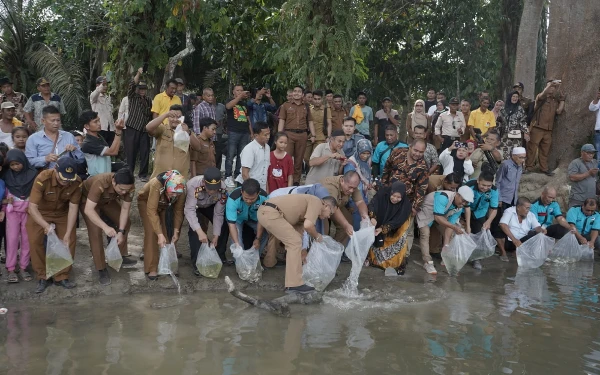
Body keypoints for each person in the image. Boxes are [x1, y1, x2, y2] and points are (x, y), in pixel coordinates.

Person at [257, 194, 338, 294]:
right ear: (326, 205)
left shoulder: (305, 209)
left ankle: (292, 281)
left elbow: (300, 230)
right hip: (271, 212)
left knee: (295, 241)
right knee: (294, 242)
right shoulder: (317, 202)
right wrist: (317, 236)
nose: (329, 216)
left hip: (268, 212)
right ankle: (294, 285)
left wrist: (304, 255)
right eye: (331, 212)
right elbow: (308, 226)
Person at [27, 156, 81, 293]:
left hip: (62, 213)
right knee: (35, 241)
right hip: (40, 213)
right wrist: (45, 226)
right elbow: (32, 207)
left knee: (69, 241)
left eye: (69, 179)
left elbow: (73, 208)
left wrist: (68, 233)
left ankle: (61, 275)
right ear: (55, 170)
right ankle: (42, 276)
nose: (66, 182)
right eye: (63, 178)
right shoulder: (42, 179)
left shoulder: (76, 182)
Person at [81, 169, 137, 286]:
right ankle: (101, 268)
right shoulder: (100, 183)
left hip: (108, 200)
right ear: (113, 182)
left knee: (126, 224)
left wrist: (121, 231)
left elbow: (125, 209)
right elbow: (88, 210)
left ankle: (118, 256)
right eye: (121, 189)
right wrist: (105, 227)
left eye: (126, 190)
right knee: (95, 232)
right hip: (88, 201)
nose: (123, 193)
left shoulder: (129, 187)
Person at [382, 140, 429, 255]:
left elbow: (421, 188)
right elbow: (387, 169)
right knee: (386, 225)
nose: (417, 154)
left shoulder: (423, 166)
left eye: (421, 152)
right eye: (415, 150)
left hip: (408, 201)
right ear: (410, 146)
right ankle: (384, 252)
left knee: (407, 230)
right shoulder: (397, 152)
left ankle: (404, 255)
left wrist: (415, 207)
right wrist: (383, 189)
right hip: (390, 197)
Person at [137, 170, 186, 280]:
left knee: (168, 233)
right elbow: (152, 211)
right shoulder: (156, 184)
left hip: (165, 205)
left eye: (177, 194)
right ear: (166, 187)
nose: (175, 195)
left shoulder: (181, 190)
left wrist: (176, 231)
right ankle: (152, 268)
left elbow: (178, 211)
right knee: (152, 233)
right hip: (147, 204)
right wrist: (159, 234)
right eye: (172, 192)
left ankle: (169, 264)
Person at [416, 186, 474, 274]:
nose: (464, 203)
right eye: (463, 200)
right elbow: (438, 217)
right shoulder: (443, 197)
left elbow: (449, 226)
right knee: (425, 234)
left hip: (440, 214)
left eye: (466, 202)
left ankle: (445, 258)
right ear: (457, 195)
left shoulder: (459, 207)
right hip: (426, 212)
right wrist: (454, 227)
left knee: (451, 235)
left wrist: (446, 246)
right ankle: (427, 262)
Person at [185, 167, 231, 276]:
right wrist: (200, 231)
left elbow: (218, 213)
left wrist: (216, 235)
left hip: (210, 206)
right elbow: (189, 210)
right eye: (209, 188)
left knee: (224, 222)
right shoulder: (193, 185)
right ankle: (197, 262)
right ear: (203, 182)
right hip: (194, 206)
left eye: (215, 189)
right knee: (195, 231)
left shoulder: (223, 189)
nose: (211, 192)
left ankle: (218, 255)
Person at [366, 181, 412, 275]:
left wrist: (383, 229)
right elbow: (373, 205)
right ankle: (377, 261)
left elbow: (398, 220)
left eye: (399, 197)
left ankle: (395, 264)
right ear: (390, 192)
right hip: (379, 222)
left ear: (403, 196)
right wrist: (373, 217)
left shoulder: (405, 205)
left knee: (400, 237)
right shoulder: (382, 195)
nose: (395, 199)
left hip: (396, 227)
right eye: (393, 196)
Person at [3, 150, 34, 283]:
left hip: (28, 211)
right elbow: (4, 196)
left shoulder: (33, 174)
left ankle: (23, 267)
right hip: (12, 213)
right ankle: (10, 268)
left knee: (27, 239)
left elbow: (37, 193)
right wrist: (5, 205)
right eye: (12, 165)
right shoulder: (6, 176)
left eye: (18, 164)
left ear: (24, 161)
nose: (15, 167)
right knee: (12, 239)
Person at [146, 105, 201, 178]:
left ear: (183, 118)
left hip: (179, 179)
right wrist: (165, 115)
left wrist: (188, 132)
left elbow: (198, 147)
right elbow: (148, 128)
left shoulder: (187, 132)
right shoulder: (162, 129)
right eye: (172, 116)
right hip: (160, 178)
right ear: (168, 118)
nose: (175, 119)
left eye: (178, 117)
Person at [525, 79, 566, 176]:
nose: (552, 88)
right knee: (532, 148)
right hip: (537, 127)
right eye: (550, 86)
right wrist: (550, 84)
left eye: (553, 87)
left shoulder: (554, 100)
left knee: (545, 150)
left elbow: (559, 111)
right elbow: (543, 93)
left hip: (548, 129)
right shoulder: (541, 98)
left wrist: (562, 100)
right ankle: (528, 167)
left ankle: (544, 168)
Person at [278, 85, 315, 185]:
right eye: (295, 91)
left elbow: (310, 121)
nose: (296, 93)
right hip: (289, 134)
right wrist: (279, 134)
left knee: (299, 160)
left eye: (299, 91)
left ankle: (295, 182)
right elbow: (282, 120)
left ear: (302, 94)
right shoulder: (285, 105)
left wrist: (313, 135)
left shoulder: (306, 106)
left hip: (302, 135)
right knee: (287, 158)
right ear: (292, 93)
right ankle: (285, 180)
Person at [494, 147, 526, 259]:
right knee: (500, 224)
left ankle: (510, 248)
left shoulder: (520, 166)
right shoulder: (505, 165)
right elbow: (497, 182)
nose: (523, 160)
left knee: (510, 224)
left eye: (524, 157)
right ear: (514, 156)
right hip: (503, 199)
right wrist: (499, 199)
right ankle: (502, 251)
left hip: (513, 199)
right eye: (521, 157)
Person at [320, 171, 370, 244]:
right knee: (324, 230)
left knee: (348, 221)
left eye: (354, 188)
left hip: (337, 205)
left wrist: (364, 215)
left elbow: (360, 202)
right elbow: (334, 208)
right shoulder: (331, 186)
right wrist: (346, 225)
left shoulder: (351, 184)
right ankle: (322, 250)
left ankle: (336, 248)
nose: (351, 190)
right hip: (323, 208)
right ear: (342, 181)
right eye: (350, 187)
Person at [463, 173, 498, 270]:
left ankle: (476, 259)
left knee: (479, 233)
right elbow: (467, 207)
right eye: (483, 185)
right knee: (463, 232)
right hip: (464, 210)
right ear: (478, 181)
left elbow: (494, 208)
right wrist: (468, 225)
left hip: (480, 213)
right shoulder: (469, 186)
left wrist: (489, 222)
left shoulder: (494, 190)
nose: (485, 188)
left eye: (488, 185)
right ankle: (460, 256)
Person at [124, 68, 153, 182]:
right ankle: (129, 174)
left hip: (144, 129)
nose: (142, 91)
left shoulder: (149, 100)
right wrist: (139, 73)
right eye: (140, 88)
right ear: (137, 89)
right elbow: (132, 84)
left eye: (144, 89)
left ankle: (143, 174)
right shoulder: (132, 97)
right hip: (132, 127)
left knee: (145, 152)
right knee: (131, 152)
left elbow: (150, 115)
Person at [226, 178, 269, 252]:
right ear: (241, 192)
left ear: (258, 193)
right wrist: (237, 244)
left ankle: (255, 259)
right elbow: (232, 225)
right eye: (246, 198)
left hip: (256, 219)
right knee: (238, 242)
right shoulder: (233, 199)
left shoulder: (265, 198)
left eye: (252, 199)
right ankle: (240, 262)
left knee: (265, 233)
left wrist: (258, 239)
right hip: (238, 219)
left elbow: (261, 220)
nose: (249, 201)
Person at [79, 110, 124, 177]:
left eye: (99, 120)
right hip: (97, 179)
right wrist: (118, 130)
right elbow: (113, 152)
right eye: (95, 122)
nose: (99, 123)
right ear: (87, 126)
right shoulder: (88, 143)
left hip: (106, 177)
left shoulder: (99, 137)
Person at [224, 85, 252, 188]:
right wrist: (240, 97)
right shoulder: (230, 100)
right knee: (230, 155)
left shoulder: (244, 104)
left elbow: (248, 119)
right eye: (238, 90)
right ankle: (228, 176)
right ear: (233, 92)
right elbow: (228, 107)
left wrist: (251, 132)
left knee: (242, 156)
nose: (240, 92)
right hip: (233, 132)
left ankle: (238, 175)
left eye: (241, 90)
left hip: (245, 132)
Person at [344, 138, 373, 229]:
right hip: (354, 198)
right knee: (355, 223)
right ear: (358, 150)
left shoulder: (367, 162)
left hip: (363, 196)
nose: (365, 156)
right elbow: (349, 184)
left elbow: (367, 177)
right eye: (363, 153)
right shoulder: (351, 163)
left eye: (368, 153)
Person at [235, 121, 270, 190]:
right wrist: (253, 190)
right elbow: (245, 174)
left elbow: (265, 170)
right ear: (256, 136)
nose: (268, 137)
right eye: (265, 135)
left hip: (261, 186)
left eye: (269, 134)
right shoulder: (249, 149)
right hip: (248, 187)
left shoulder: (267, 147)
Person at [498, 91, 530, 159]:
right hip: (505, 135)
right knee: (505, 153)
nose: (515, 98)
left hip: (516, 134)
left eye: (516, 97)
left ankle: (516, 168)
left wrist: (526, 132)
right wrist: (497, 134)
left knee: (516, 153)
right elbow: (499, 122)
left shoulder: (520, 109)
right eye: (513, 96)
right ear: (510, 97)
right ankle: (506, 168)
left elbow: (523, 121)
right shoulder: (503, 109)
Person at [303, 91, 331, 168]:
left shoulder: (326, 110)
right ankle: (310, 171)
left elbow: (329, 124)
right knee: (305, 157)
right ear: (312, 99)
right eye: (315, 99)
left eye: (319, 99)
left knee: (315, 157)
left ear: (322, 99)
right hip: (309, 137)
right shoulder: (309, 109)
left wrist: (328, 137)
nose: (317, 101)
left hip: (321, 138)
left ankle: (312, 174)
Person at [90, 76, 116, 146]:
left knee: (110, 149)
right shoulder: (94, 97)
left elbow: (110, 115)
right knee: (102, 149)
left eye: (106, 85)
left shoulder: (108, 98)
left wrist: (114, 128)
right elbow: (96, 92)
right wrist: (101, 84)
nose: (105, 87)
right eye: (103, 85)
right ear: (97, 85)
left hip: (110, 129)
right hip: (100, 129)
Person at [589, 87, 600, 155]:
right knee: (599, 157)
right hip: (599, 132)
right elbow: (591, 108)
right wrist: (597, 98)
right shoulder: (599, 101)